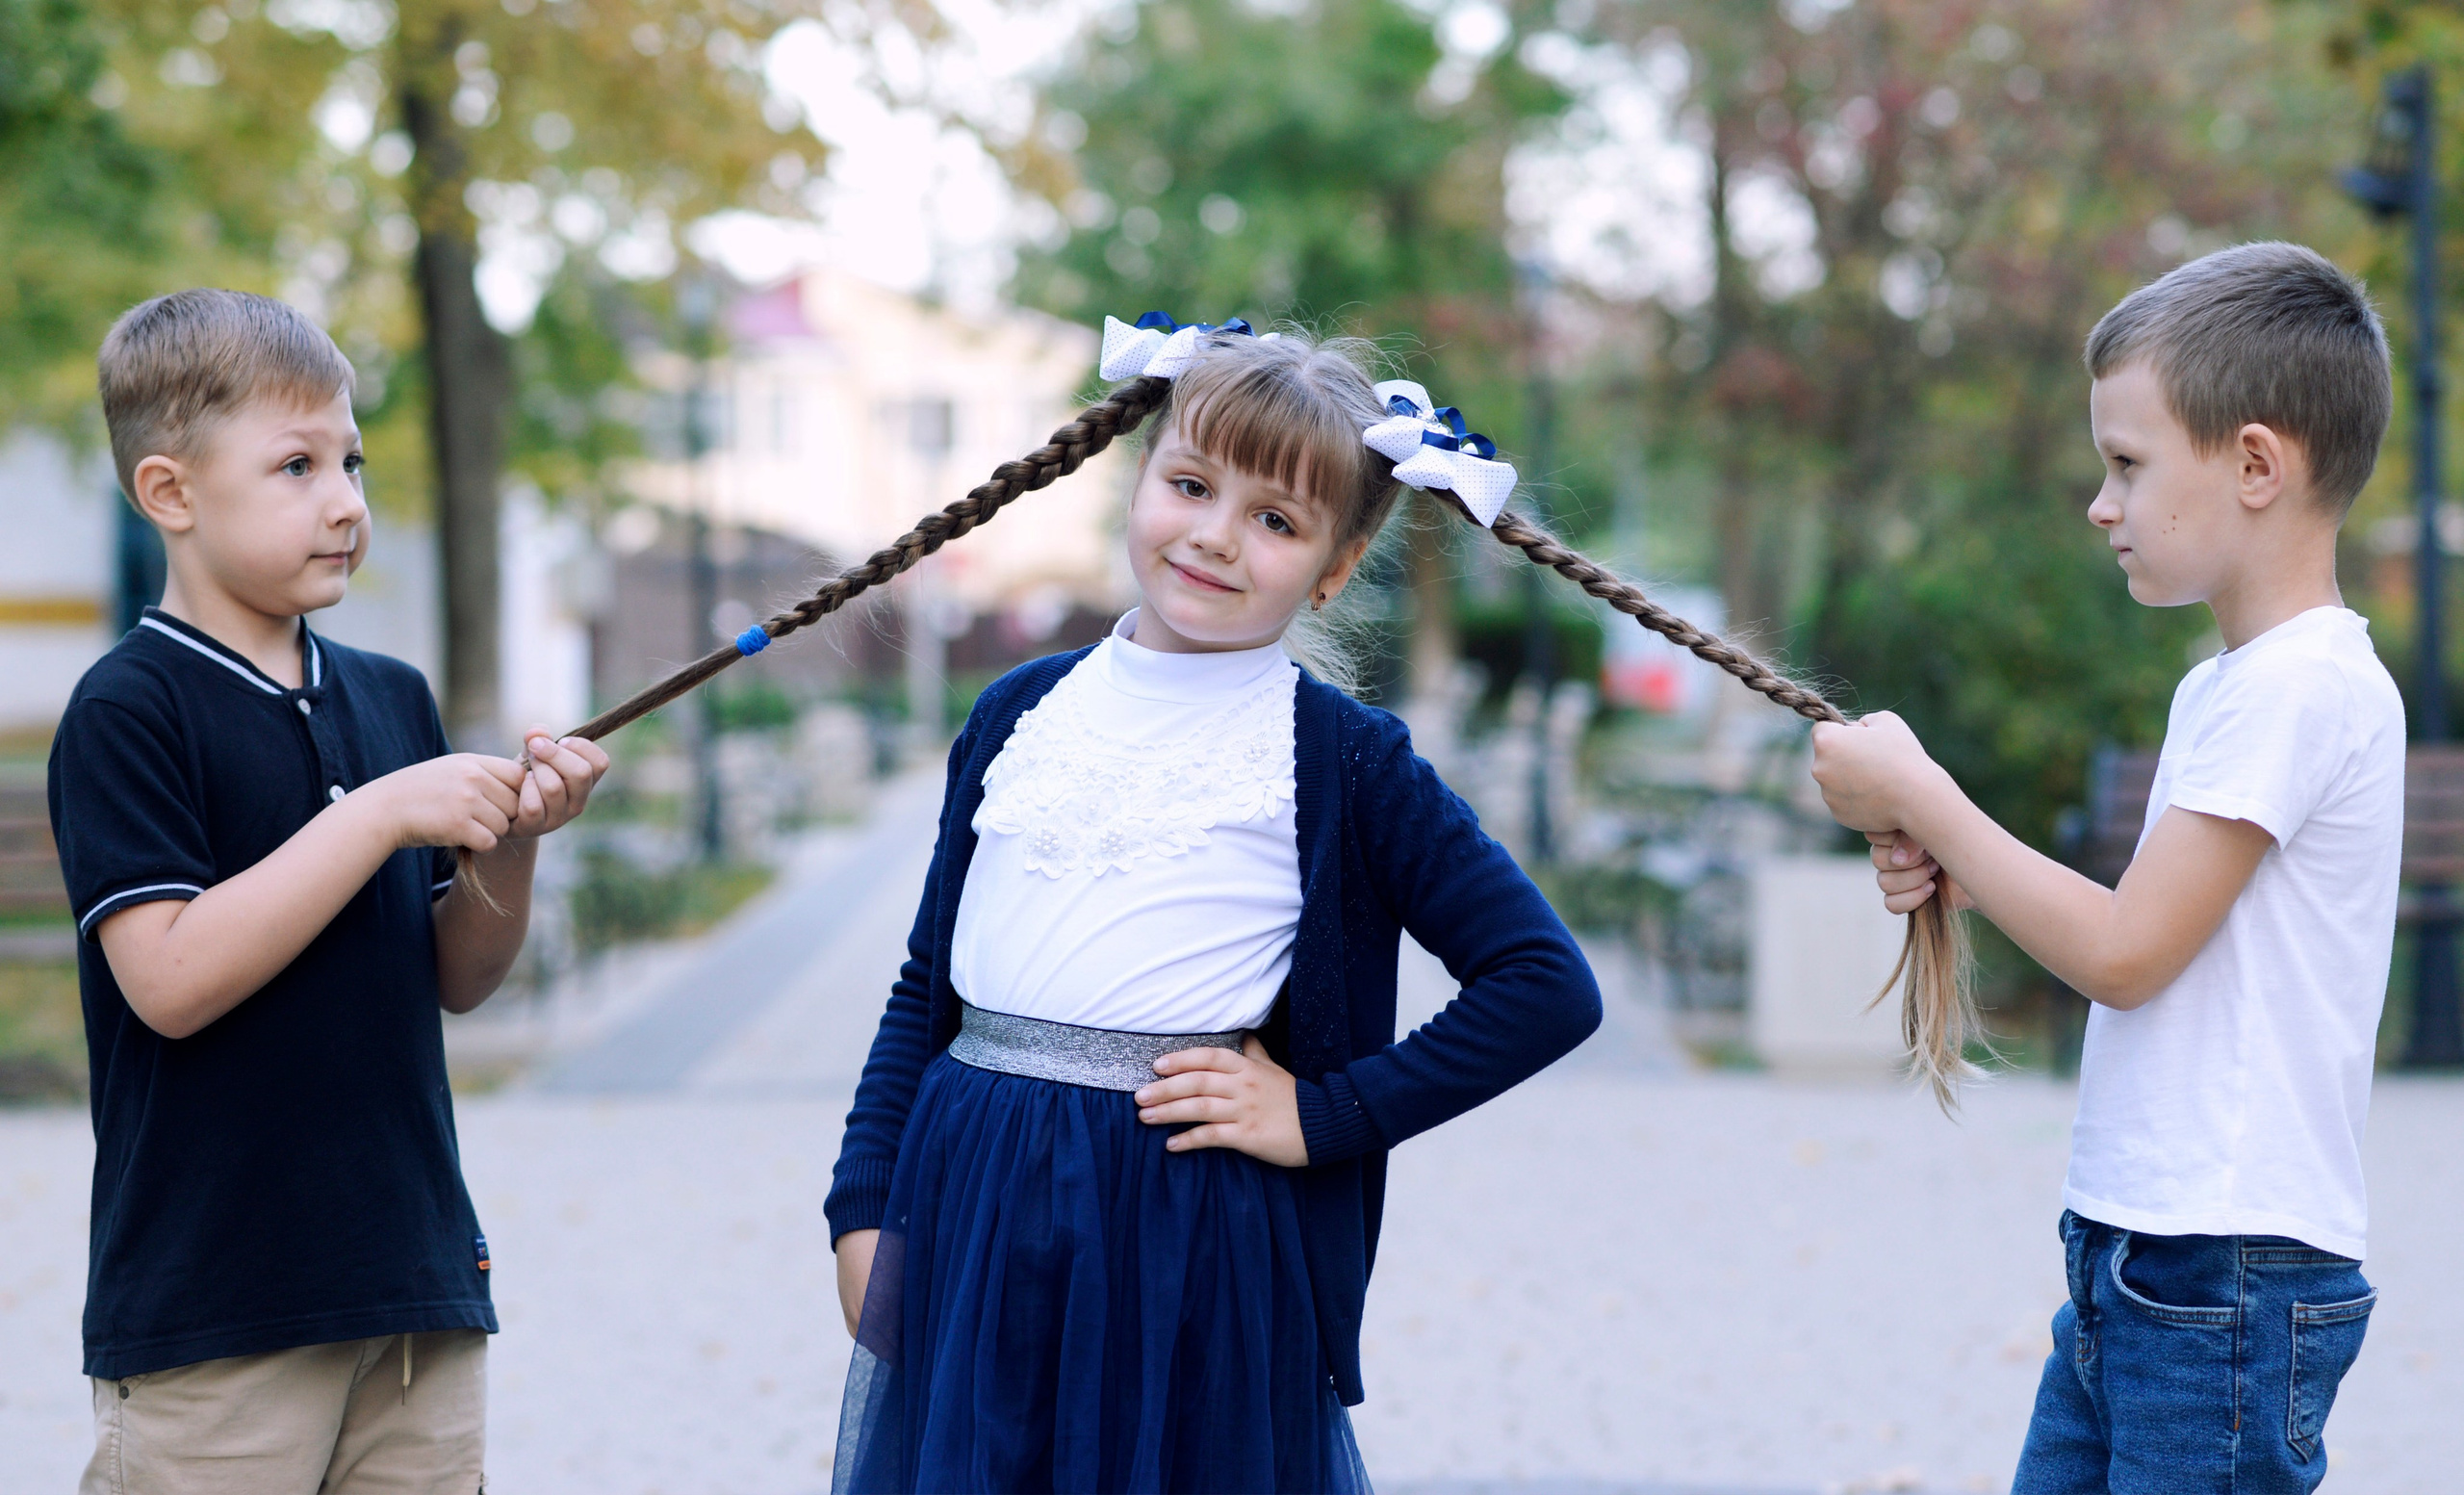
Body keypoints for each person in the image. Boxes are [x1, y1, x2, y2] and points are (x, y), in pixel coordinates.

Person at [823, 322, 1604, 1492]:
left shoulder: (1340, 759)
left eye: (1275, 520)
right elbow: (923, 983)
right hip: (969, 1201)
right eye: (1191, 484)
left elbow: (1546, 984)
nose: (1214, 535)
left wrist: (1324, 1113)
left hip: (1184, 1230)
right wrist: (862, 1200)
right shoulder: (1013, 712)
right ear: (1138, 477)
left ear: (1334, 566)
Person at [1811, 242, 2399, 1492]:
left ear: (2253, 464)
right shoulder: (2233, 685)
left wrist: (1929, 796)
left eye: (2126, 464)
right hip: (2145, 1255)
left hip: (2222, 1276)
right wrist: (1976, 872)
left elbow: (2126, 958)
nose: (2099, 502)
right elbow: (2169, 932)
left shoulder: (2296, 687)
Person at [52, 288, 608, 1494]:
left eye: (350, 459)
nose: (348, 500)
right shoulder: (128, 710)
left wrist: (509, 841)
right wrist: (376, 814)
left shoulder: (390, 695)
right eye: (296, 465)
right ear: (171, 494)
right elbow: (171, 981)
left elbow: (455, 975)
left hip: (414, 1291)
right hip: (218, 1316)